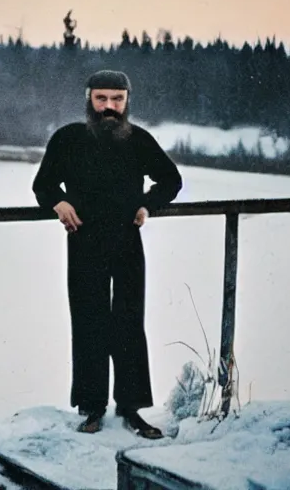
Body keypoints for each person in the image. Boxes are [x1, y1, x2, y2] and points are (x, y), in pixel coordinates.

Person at [32, 70, 183, 438]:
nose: (109, 108)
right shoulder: (68, 138)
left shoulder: (138, 140)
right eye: (102, 99)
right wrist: (58, 202)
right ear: (89, 99)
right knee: (88, 322)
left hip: (127, 240)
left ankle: (131, 409)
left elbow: (171, 180)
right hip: (83, 240)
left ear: (127, 101)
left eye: (117, 100)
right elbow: (43, 184)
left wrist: (148, 205)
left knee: (130, 322)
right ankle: (92, 408)